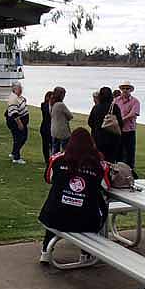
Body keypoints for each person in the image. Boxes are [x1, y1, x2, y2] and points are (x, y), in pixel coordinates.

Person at [38, 128, 111, 264]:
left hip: (53, 216)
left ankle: (45, 251)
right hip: (86, 220)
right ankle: (85, 254)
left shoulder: (57, 159)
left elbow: (48, 178)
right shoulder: (99, 164)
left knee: (57, 207)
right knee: (97, 207)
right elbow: (106, 186)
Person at [87, 86, 123, 162]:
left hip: (98, 138)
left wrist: (97, 128)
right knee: (110, 160)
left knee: (99, 160)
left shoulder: (96, 107)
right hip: (112, 139)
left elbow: (90, 122)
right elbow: (120, 123)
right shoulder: (115, 107)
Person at [114, 81, 140, 173]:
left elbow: (133, 114)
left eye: (127, 88)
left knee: (130, 152)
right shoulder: (116, 100)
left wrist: (121, 119)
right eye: (123, 88)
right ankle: (119, 170)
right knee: (118, 151)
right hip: (118, 130)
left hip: (129, 130)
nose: (125, 90)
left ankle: (130, 171)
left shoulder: (135, 101)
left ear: (131, 90)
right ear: (121, 89)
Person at [6, 81, 29, 164]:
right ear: (14, 89)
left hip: (22, 121)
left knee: (22, 138)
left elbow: (22, 102)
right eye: (19, 89)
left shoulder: (18, 97)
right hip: (16, 122)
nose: (21, 90)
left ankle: (14, 153)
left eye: (21, 88)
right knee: (19, 138)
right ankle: (16, 157)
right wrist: (20, 124)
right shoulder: (13, 98)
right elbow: (14, 113)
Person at [50, 86, 73, 154]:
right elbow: (70, 116)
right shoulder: (61, 105)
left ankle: (53, 160)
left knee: (55, 150)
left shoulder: (51, 103)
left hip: (54, 130)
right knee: (65, 150)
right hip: (63, 131)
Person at [39, 90, 53, 165]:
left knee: (52, 144)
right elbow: (47, 112)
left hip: (52, 128)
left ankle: (52, 158)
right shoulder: (44, 105)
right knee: (45, 145)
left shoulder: (54, 105)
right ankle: (47, 159)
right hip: (45, 128)